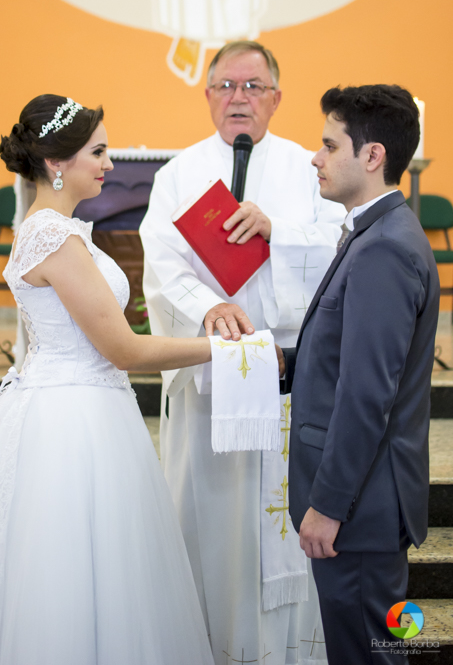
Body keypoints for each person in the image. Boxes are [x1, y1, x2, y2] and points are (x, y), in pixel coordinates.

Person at [0, 95, 216, 665]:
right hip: (72, 423)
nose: (110, 164)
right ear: (57, 162)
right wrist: (221, 352)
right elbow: (122, 349)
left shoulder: (54, 230)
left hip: (77, 404)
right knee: (72, 569)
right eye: (98, 152)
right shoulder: (54, 237)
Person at [139, 41, 346, 665]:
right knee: (213, 522)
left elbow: (340, 242)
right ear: (207, 96)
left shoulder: (309, 169)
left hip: (288, 377)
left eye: (253, 87)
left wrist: (276, 231)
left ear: (276, 98)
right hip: (211, 379)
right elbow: (161, 264)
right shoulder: (178, 175)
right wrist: (209, 307)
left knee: (282, 517)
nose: (239, 98)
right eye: (226, 86)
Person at [280, 85, 440, 664]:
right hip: (364, 502)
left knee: (371, 654)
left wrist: (329, 506)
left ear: (372, 155)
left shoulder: (384, 248)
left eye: (329, 145)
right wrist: (278, 362)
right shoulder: (375, 231)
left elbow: (367, 393)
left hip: (359, 507)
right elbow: (349, 356)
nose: (315, 158)